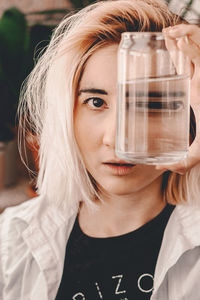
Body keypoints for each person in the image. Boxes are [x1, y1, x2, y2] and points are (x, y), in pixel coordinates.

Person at [1, 0, 200, 299]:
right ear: (66, 111)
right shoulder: (10, 239)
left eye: (151, 104)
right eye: (96, 102)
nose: (117, 138)